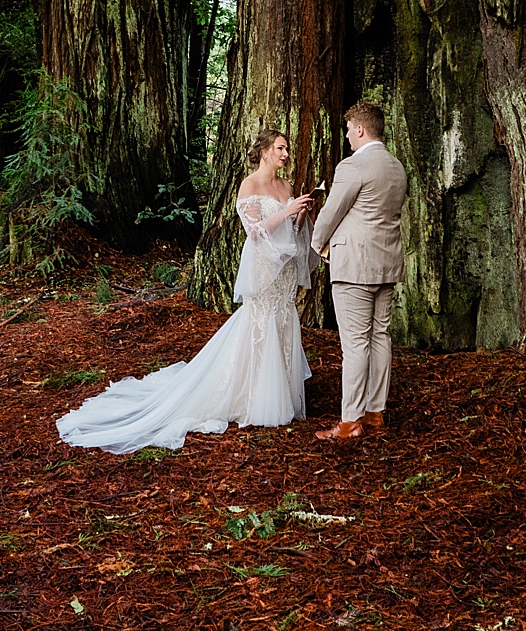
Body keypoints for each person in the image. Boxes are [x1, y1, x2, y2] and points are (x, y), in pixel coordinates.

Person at [54, 130, 315, 454]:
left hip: (285, 269)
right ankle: (254, 398)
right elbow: (255, 233)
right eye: (280, 148)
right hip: (264, 267)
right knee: (259, 322)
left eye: (287, 148)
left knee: (283, 321)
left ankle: (283, 396)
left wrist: (300, 213)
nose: (286, 153)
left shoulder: (286, 187)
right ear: (264, 152)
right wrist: (287, 212)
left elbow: (291, 231)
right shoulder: (249, 185)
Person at [306, 101, 407, 441]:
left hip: (354, 267)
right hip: (387, 263)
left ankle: (350, 421)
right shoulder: (396, 167)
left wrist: (318, 245)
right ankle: (375, 413)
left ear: (361, 129)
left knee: (355, 344)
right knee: (380, 337)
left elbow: (332, 212)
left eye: (349, 129)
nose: (347, 135)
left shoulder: (353, 167)